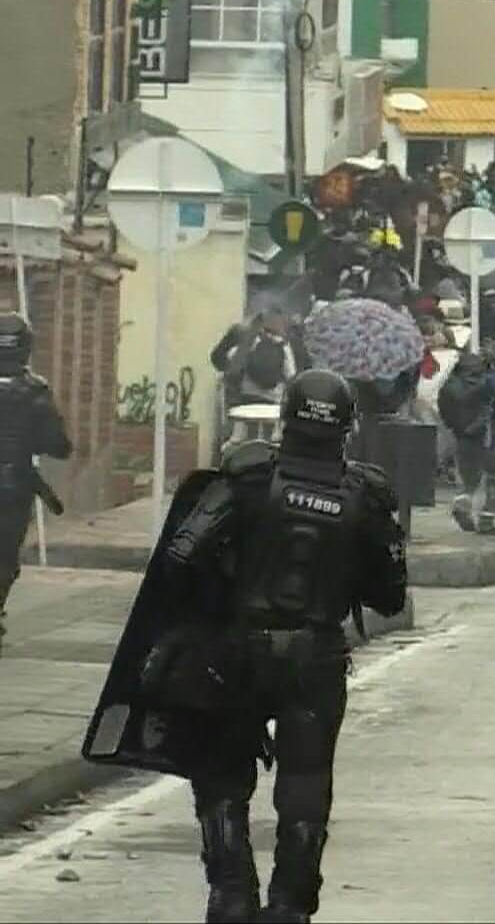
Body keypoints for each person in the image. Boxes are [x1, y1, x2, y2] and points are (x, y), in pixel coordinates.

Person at [152, 370, 407, 922]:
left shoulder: (245, 476)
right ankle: (290, 905)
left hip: (235, 648)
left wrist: (212, 604)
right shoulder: (366, 496)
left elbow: (180, 556)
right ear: (347, 427)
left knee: (220, 774)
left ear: (285, 415)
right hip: (315, 656)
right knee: (306, 782)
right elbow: (390, 596)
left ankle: (230, 895)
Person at [0, 312, 71, 652]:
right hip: (13, 485)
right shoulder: (36, 392)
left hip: (14, 483)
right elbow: (58, 445)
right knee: (4, 554)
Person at [437, 350, 495, 534]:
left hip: (461, 435)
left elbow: (442, 409)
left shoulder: (449, 385)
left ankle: (461, 505)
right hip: (485, 435)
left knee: (468, 480)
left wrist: (455, 427)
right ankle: (487, 520)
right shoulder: (487, 383)